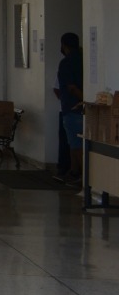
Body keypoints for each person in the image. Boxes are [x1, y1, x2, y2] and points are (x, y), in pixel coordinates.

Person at [55, 32, 84, 183]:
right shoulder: (83, 59)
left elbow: (71, 87)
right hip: (83, 110)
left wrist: (83, 99)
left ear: (64, 45)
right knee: (74, 143)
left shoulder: (66, 63)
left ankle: (83, 176)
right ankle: (74, 172)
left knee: (76, 144)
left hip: (72, 109)